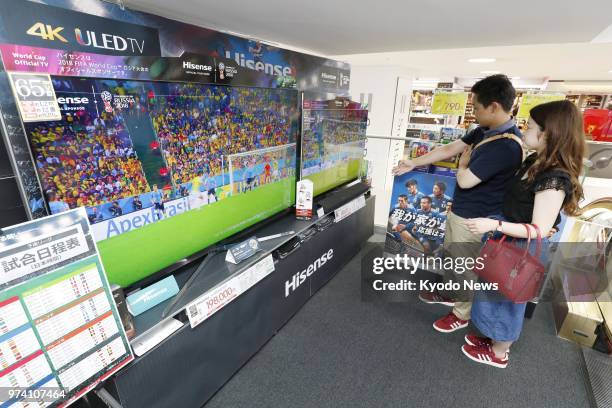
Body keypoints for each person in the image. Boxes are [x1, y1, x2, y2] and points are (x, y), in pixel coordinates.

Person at [392, 74, 523, 332]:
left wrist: (462, 166)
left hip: (476, 218)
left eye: (476, 107)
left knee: (465, 268)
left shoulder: (506, 145)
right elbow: (450, 148)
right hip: (461, 211)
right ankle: (451, 295)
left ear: (494, 106)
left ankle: (461, 315)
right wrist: (414, 162)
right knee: (453, 257)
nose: (473, 113)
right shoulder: (484, 131)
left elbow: (465, 181)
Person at [461, 100, 584, 368]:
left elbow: (539, 230)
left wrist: (493, 225)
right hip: (507, 238)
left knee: (508, 296)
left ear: (548, 133)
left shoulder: (554, 177)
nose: (523, 129)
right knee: (492, 290)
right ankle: (494, 339)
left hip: (519, 245)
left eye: (530, 126)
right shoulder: (535, 160)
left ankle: (499, 351)